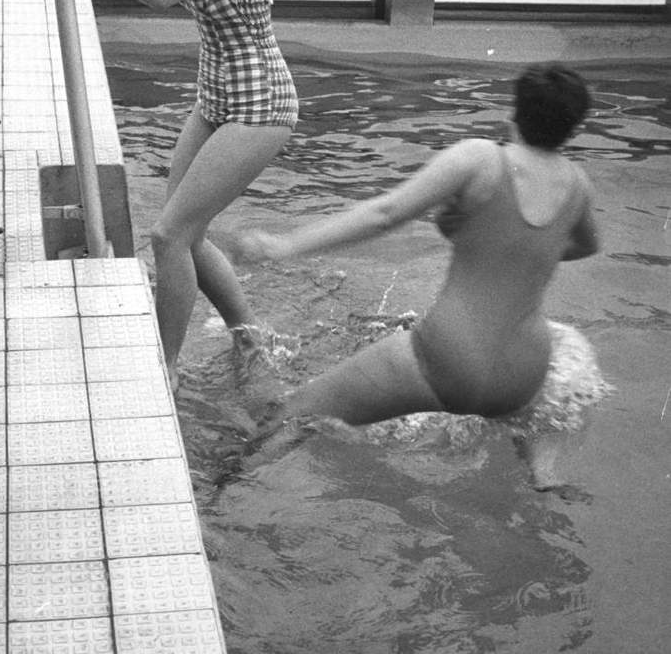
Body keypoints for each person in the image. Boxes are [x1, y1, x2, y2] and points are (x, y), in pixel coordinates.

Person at [238, 63, 612, 488]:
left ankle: (217, 500)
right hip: (525, 373)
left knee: (292, 414)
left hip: (448, 356)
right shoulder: (578, 184)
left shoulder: (480, 158)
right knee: (523, 418)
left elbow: (385, 214)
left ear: (514, 112)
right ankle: (543, 477)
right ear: (574, 129)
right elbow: (586, 246)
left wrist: (284, 246)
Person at [31, 0, 298, 390]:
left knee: (169, 235)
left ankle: (163, 370)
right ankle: (251, 337)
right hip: (216, 96)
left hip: (262, 102)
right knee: (189, 236)